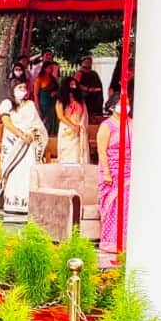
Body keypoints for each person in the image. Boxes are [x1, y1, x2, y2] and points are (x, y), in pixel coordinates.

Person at [0, 81, 47, 213]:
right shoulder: (6, 104)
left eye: (24, 87)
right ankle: (12, 204)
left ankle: (27, 204)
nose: (23, 89)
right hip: (13, 144)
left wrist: (33, 133)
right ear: (12, 88)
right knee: (14, 173)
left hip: (29, 145)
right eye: (19, 87)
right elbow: (6, 123)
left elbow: (37, 124)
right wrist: (21, 135)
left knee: (27, 173)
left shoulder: (30, 105)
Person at [97, 82, 133, 257]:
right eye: (121, 103)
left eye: (127, 103)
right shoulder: (107, 126)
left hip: (129, 170)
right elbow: (102, 151)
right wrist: (107, 173)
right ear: (113, 106)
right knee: (113, 206)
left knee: (127, 206)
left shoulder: (131, 124)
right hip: (111, 169)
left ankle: (126, 242)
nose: (125, 107)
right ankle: (111, 242)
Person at [56, 75, 89, 164]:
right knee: (67, 156)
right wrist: (72, 126)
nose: (74, 87)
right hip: (66, 129)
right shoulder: (61, 100)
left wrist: (79, 126)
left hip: (79, 129)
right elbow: (60, 116)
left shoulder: (80, 101)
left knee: (77, 155)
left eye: (75, 84)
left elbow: (83, 116)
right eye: (71, 84)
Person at [74, 55, 105, 120]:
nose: (88, 63)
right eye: (86, 62)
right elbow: (76, 84)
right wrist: (88, 89)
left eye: (89, 62)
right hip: (85, 97)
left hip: (96, 97)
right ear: (82, 63)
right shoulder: (79, 73)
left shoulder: (94, 73)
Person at [35, 60, 60, 136]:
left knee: (53, 120)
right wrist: (38, 107)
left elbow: (58, 89)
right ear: (44, 68)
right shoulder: (39, 79)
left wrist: (55, 93)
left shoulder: (53, 78)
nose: (51, 69)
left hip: (53, 102)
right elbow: (36, 94)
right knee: (45, 120)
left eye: (52, 68)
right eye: (49, 68)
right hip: (44, 103)